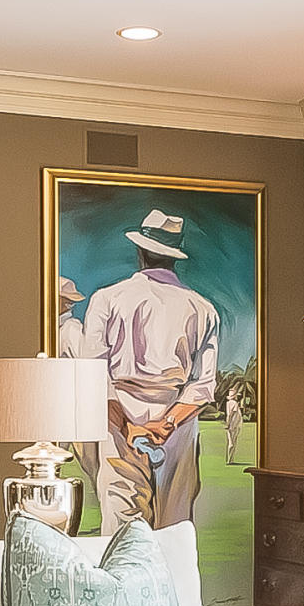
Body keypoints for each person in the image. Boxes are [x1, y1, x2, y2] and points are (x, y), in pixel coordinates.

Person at [74, 210, 220, 529]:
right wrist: (167, 423)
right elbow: (202, 385)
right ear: (173, 257)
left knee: (121, 528)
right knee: (175, 528)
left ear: (140, 251)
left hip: (117, 419)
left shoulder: (107, 299)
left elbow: (93, 377)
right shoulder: (203, 309)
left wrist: (129, 427)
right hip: (177, 426)